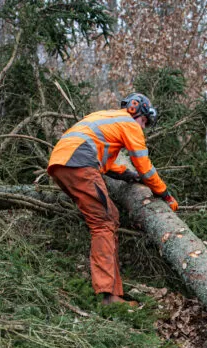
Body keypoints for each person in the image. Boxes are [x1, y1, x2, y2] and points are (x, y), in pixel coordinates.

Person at [46, 93, 179, 305]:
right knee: (103, 223)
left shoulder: (107, 117)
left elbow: (104, 159)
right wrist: (165, 194)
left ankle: (114, 292)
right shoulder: (130, 124)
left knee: (109, 217)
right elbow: (144, 166)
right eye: (144, 121)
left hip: (61, 163)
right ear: (137, 111)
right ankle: (107, 295)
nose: (143, 127)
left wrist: (126, 174)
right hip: (79, 162)